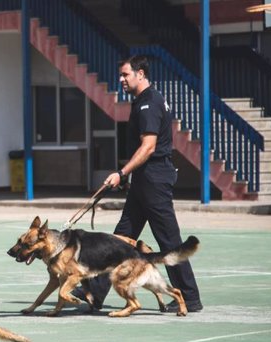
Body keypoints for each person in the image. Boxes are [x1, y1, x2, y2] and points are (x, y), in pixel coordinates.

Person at [76, 55, 203, 313]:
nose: (121, 79)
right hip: (145, 180)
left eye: (126, 75)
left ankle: (189, 297)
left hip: (154, 179)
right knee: (120, 238)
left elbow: (149, 147)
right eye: (121, 75)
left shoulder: (149, 103)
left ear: (141, 74)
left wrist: (121, 173)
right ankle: (95, 292)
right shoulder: (144, 101)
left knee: (168, 240)